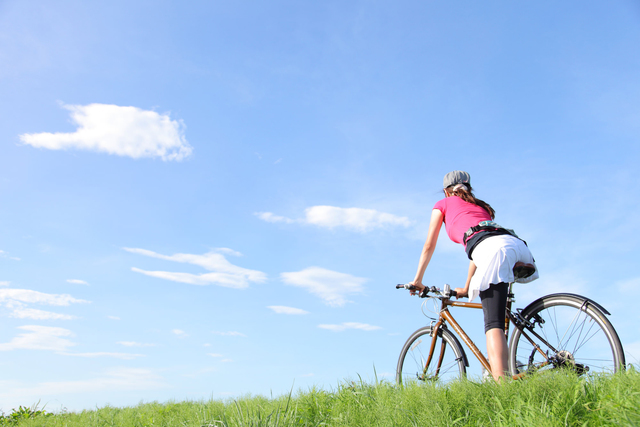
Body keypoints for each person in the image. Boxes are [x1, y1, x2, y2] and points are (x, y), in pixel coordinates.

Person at [409, 170, 538, 381]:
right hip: (516, 246)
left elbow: (429, 245)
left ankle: (501, 385)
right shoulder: (479, 206)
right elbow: (477, 253)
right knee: (498, 307)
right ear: (468, 187)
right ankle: (512, 371)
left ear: (445, 191)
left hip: (493, 250)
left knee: (493, 324)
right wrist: (468, 287)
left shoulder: (443, 204)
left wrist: (418, 280)